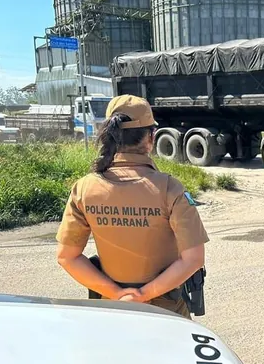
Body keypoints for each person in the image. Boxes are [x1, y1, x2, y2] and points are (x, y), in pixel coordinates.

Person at [55, 95, 209, 318]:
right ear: (151, 137)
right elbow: (193, 258)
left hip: (112, 309)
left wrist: (117, 293)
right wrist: (144, 294)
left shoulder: (85, 188)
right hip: (166, 311)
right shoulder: (169, 188)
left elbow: (67, 256)